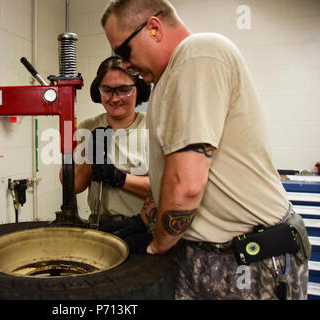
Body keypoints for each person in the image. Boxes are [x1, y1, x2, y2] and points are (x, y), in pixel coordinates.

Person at [100, 0, 311, 300]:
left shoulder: (199, 53)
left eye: (124, 52)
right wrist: (144, 220)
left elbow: (186, 186)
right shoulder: (164, 85)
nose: (125, 65)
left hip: (249, 260)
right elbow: (166, 175)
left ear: (154, 28)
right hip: (200, 255)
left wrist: (156, 243)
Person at [61, 56, 151, 223]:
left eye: (124, 89)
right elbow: (72, 185)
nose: (115, 98)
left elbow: (165, 190)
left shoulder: (152, 126)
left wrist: (118, 177)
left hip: (141, 227)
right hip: (99, 224)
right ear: (98, 91)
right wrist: (91, 158)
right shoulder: (87, 127)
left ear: (139, 89)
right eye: (107, 89)